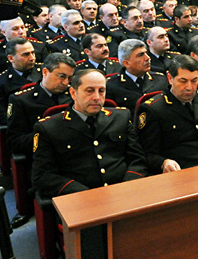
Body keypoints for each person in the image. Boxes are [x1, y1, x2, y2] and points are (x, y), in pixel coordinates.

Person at [32, 69, 148, 258]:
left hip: (124, 195)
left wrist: (127, 188)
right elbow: (42, 176)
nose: (96, 97)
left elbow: (137, 160)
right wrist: (85, 196)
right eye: (89, 91)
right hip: (82, 204)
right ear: (73, 93)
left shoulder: (120, 116)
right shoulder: (49, 128)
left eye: (101, 91)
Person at [6, 53, 75, 227]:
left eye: (69, 78)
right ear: (45, 72)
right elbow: (15, 141)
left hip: (74, 154)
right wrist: (48, 139)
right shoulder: (21, 100)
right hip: (42, 160)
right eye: (61, 76)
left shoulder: (72, 96)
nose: (66, 83)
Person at [136, 55, 198, 174]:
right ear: (170, 78)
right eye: (183, 81)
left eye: (194, 81)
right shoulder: (153, 109)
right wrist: (163, 162)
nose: (189, 87)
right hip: (183, 172)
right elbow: (147, 154)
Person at [105, 39, 168, 110]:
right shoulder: (111, 85)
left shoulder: (160, 79)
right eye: (140, 55)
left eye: (146, 53)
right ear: (126, 63)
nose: (147, 58)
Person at [0, 39, 43, 125]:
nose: (32, 58)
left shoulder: (45, 72)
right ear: (11, 58)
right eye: (26, 54)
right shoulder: (0, 82)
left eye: (33, 53)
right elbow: (1, 115)